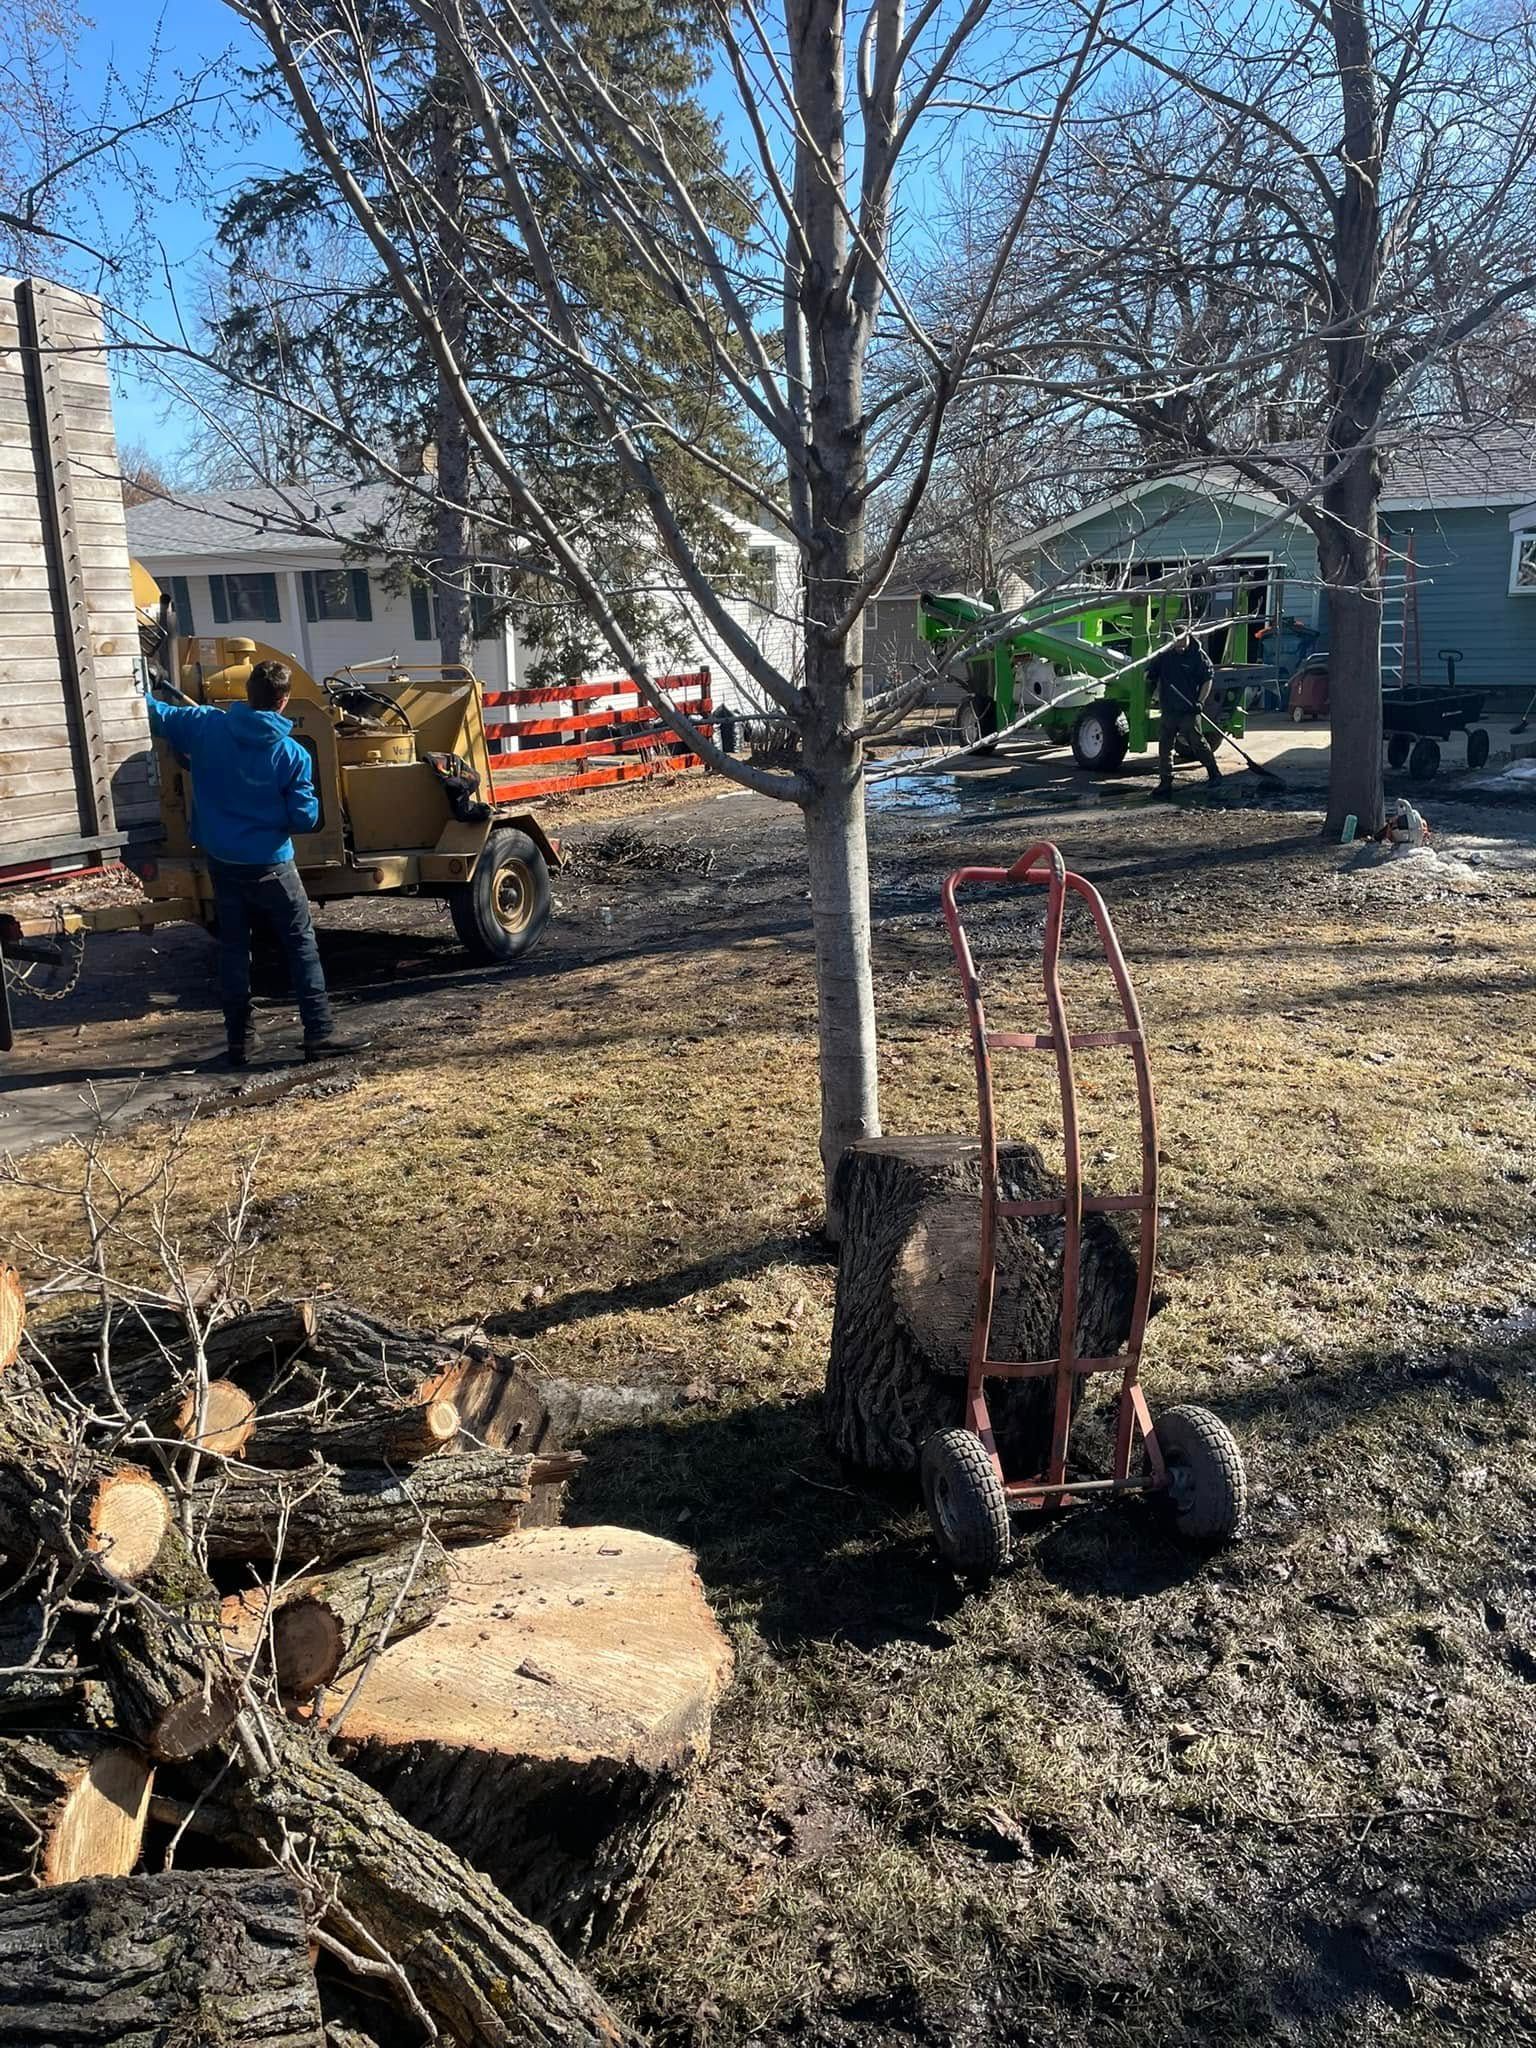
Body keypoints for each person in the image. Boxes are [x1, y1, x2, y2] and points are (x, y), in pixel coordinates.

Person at [146, 659, 356, 1067]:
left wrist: (139, 677)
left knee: (235, 950)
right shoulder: (292, 754)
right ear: (284, 700)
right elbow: (305, 818)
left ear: (247, 693)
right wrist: (270, 818)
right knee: (300, 947)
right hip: (274, 865)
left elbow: (156, 714)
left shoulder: (206, 725)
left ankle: (241, 1041)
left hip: (223, 863)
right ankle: (319, 1033)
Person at [1147, 628, 1222, 796]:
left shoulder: (1198, 656)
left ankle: (1214, 773)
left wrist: (1200, 701)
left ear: (1188, 638)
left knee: (1196, 741)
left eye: (1182, 641)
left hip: (1189, 708)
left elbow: (1207, 679)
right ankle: (1165, 781)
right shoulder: (1165, 655)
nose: (1179, 645)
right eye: (1176, 641)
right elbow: (1151, 674)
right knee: (1165, 745)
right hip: (1169, 708)